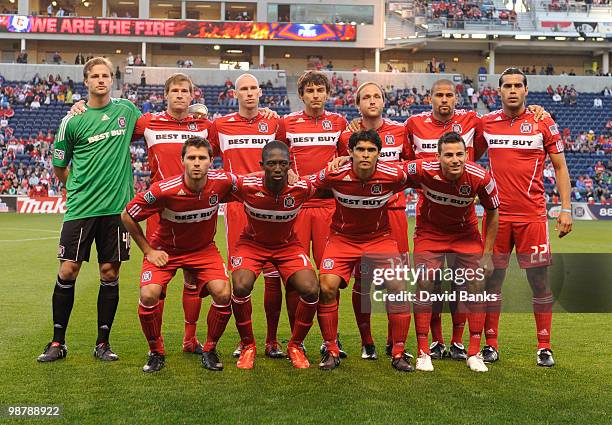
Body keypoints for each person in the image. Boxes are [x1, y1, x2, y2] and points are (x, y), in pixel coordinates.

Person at [37, 57, 141, 363]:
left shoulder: (126, 110)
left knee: (109, 272)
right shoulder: (72, 120)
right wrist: (77, 187)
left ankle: (102, 343)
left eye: (105, 75)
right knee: (68, 269)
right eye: (94, 75)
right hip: (81, 209)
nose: (100, 80)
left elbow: (157, 126)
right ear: (85, 81)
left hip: (116, 210)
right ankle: (57, 342)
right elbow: (59, 166)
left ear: (112, 79)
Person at [478, 67, 572, 367]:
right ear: (499, 90)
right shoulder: (487, 124)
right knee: (492, 280)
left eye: (519, 85)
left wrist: (566, 209)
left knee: (540, 281)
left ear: (527, 90)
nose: (513, 90)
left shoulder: (542, 122)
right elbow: (463, 151)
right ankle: (490, 344)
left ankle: (544, 346)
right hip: (497, 217)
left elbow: (560, 167)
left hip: (532, 216)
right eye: (507, 85)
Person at [121, 137, 235, 372]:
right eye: (191, 158)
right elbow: (127, 215)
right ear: (182, 160)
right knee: (149, 294)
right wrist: (148, 250)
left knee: (224, 294)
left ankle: (210, 349)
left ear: (211, 161)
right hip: (166, 250)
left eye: (202, 158)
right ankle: (155, 351)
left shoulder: (222, 182)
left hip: (203, 250)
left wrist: (290, 176)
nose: (196, 163)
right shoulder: (164, 190)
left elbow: (252, 181)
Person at [312, 129, 413, 372]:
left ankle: (398, 352)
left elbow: (424, 173)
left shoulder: (394, 175)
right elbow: (307, 184)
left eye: (371, 150)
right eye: (360, 150)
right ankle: (331, 349)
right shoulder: (335, 174)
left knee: (398, 285)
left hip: (380, 239)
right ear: (350, 152)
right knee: (326, 285)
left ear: (379, 154)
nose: (365, 155)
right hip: (342, 239)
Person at [403, 132, 499, 372]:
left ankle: (474, 353)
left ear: (467, 154)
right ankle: (424, 352)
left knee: (476, 285)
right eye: (449, 155)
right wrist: (345, 160)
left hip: (465, 236)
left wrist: (487, 254)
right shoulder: (422, 170)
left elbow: (494, 212)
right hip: (429, 234)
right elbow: (389, 171)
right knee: (425, 283)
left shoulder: (480, 177)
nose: (455, 159)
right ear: (438, 157)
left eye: (460, 154)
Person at [207, 73, 285, 359]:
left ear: (260, 92)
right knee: (242, 277)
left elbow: (288, 161)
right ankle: (246, 340)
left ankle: (273, 340)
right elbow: (204, 154)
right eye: (244, 89)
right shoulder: (220, 125)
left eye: (253, 88)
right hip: (239, 206)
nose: (249, 93)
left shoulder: (274, 123)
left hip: (271, 206)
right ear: (235, 93)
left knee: (274, 273)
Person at [230, 141, 320, 369]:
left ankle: (295, 345)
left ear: (290, 165)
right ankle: (248, 345)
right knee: (240, 286)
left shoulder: (301, 187)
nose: (277, 169)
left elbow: (329, 180)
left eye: (282, 164)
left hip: (287, 245)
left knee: (311, 289)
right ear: (262, 166)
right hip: (252, 244)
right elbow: (215, 186)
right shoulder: (245, 185)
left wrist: (345, 159)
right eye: (271, 164)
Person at [339, 82, 412, 359]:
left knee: (397, 281)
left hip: (393, 214)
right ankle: (366, 340)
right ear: (357, 104)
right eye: (366, 97)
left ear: (384, 101)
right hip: (362, 216)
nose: (372, 101)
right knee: (363, 282)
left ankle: (396, 343)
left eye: (376, 96)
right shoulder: (348, 134)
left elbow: (411, 166)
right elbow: (340, 166)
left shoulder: (400, 130)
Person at [275, 71, 347, 347]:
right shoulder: (287, 123)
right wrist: (288, 171)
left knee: (330, 276)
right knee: (296, 276)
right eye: (310, 90)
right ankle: (298, 338)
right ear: (301, 94)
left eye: (320, 90)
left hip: (328, 206)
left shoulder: (339, 123)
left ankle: (332, 338)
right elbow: (276, 155)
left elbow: (346, 156)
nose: (315, 95)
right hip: (297, 207)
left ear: (328, 94)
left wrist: (341, 160)